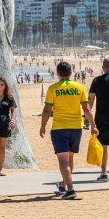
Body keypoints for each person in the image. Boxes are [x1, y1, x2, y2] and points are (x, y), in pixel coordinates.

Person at [40, 61, 97, 200]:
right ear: (71, 73)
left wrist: (43, 126)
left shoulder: (53, 88)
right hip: (76, 128)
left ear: (57, 73)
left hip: (60, 127)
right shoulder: (78, 87)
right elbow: (86, 108)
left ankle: (70, 190)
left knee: (63, 160)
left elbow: (47, 110)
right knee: (70, 158)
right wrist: (93, 125)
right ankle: (63, 184)